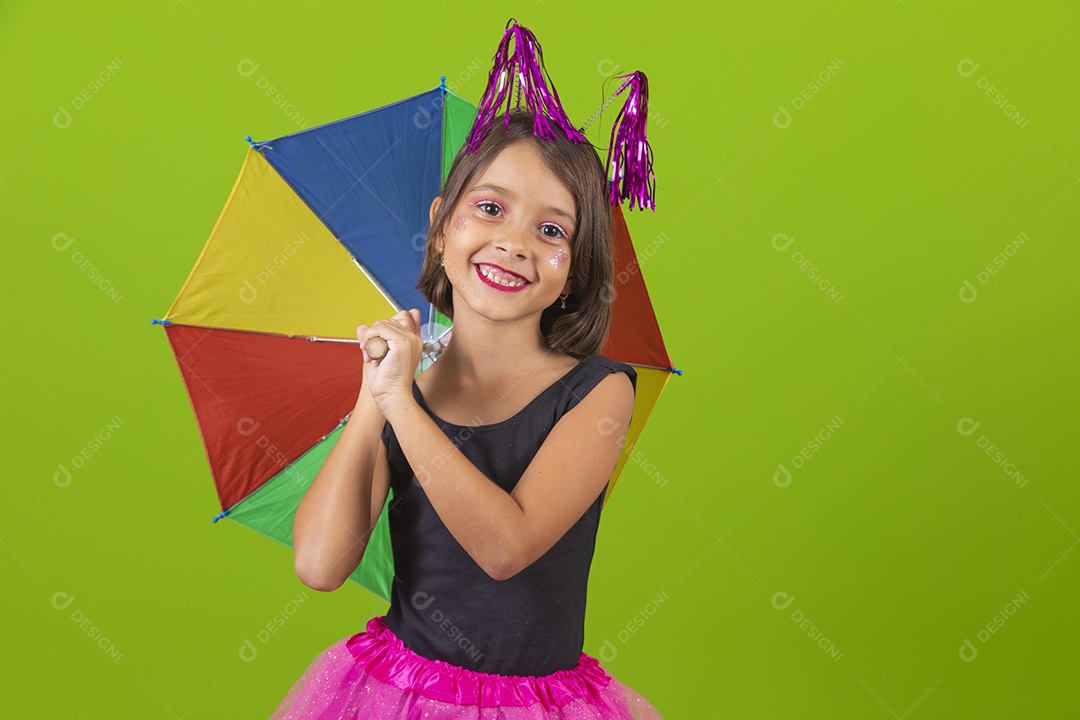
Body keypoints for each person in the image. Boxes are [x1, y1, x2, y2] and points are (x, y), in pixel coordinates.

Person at [272, 20, 664, 720]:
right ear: (441, 227)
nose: (513, 243)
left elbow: (506, 549)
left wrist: (403, 407)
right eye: (489, 209)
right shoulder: (401, 387)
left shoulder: (597, 391)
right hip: (399, 692)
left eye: (552, 230)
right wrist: (375, 397)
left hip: (537, 700)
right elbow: (320, 564)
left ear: (576, 271)